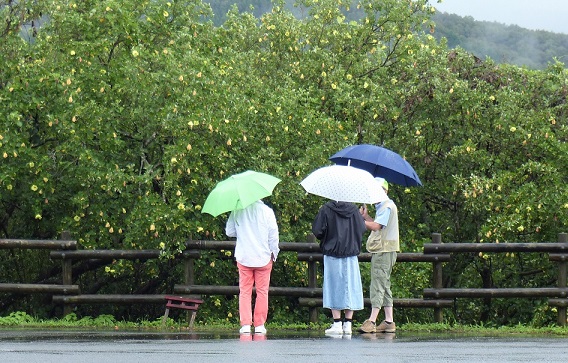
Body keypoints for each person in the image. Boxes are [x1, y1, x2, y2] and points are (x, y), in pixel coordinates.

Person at [312, 200, 367, 335]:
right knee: (350, 286)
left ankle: (337, 323)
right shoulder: (354, 210)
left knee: (333, 286)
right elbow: (362, 229)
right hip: (350, 253)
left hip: (332, 252)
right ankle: (348, 323)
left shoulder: (326, 209)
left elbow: (318, 231)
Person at [225, 199, 280, 335]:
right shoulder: (267, 211)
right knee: (262, 291)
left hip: (244, 255)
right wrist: (274, 252)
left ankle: (245, 324)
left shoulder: (237, 210)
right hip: (263, 256)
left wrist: (242, 231)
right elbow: (273, 235)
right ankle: (259, 324)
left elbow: (229, 232)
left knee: (244, 291)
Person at [358, 177, 399, 333]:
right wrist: (365, 217)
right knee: (385, 284)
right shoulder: (385, 207)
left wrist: (358, 221)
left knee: (378, 284)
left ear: (384, 191)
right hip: (387, 250)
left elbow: (376, 226)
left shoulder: (387, 207)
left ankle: (372, 321)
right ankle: (389, 321)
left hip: (384, 251)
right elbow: (376, 226)